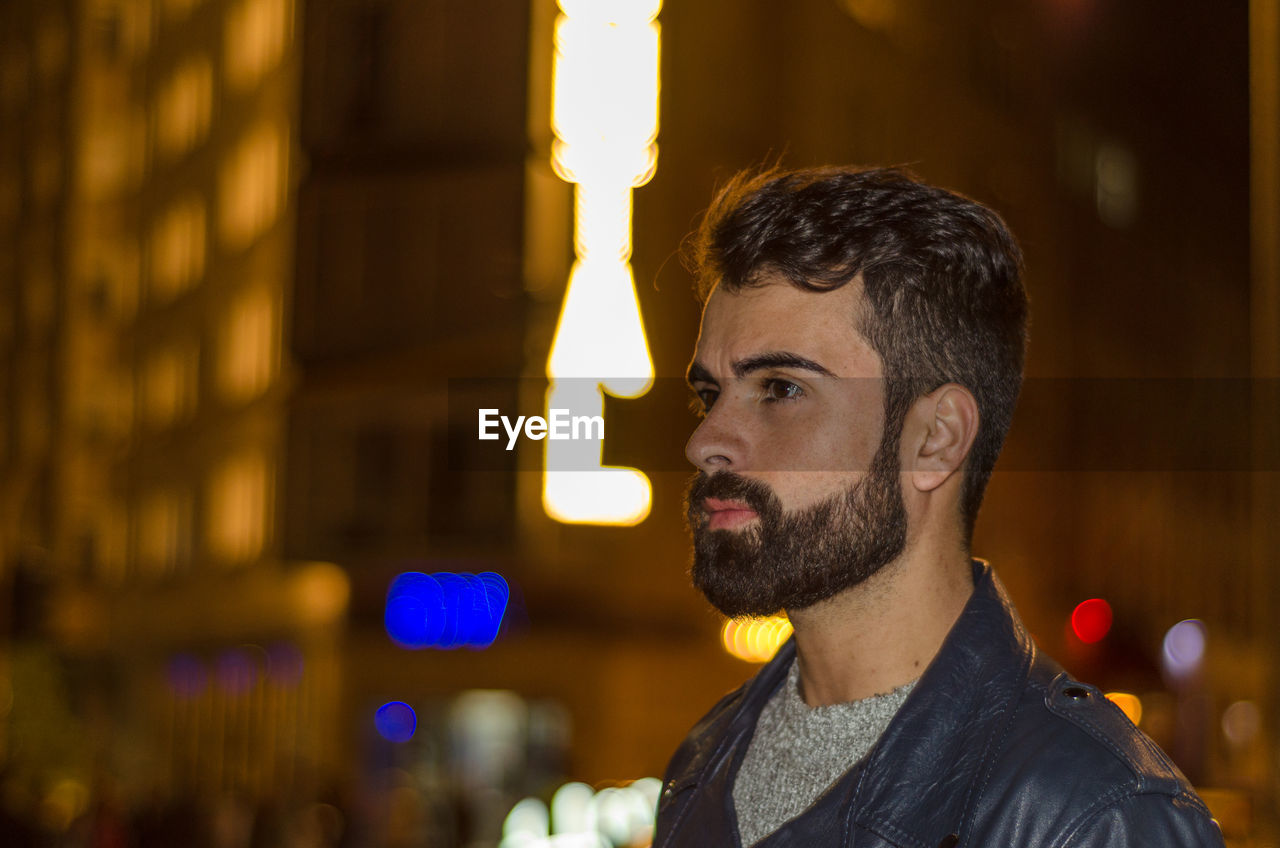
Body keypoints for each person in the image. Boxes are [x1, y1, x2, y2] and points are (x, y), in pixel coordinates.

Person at [655, 166, 1224, 847]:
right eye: (709, 394)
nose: (705, 441)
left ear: (936, 439)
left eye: (780, 388)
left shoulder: (1092, 816)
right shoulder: (702, 766)